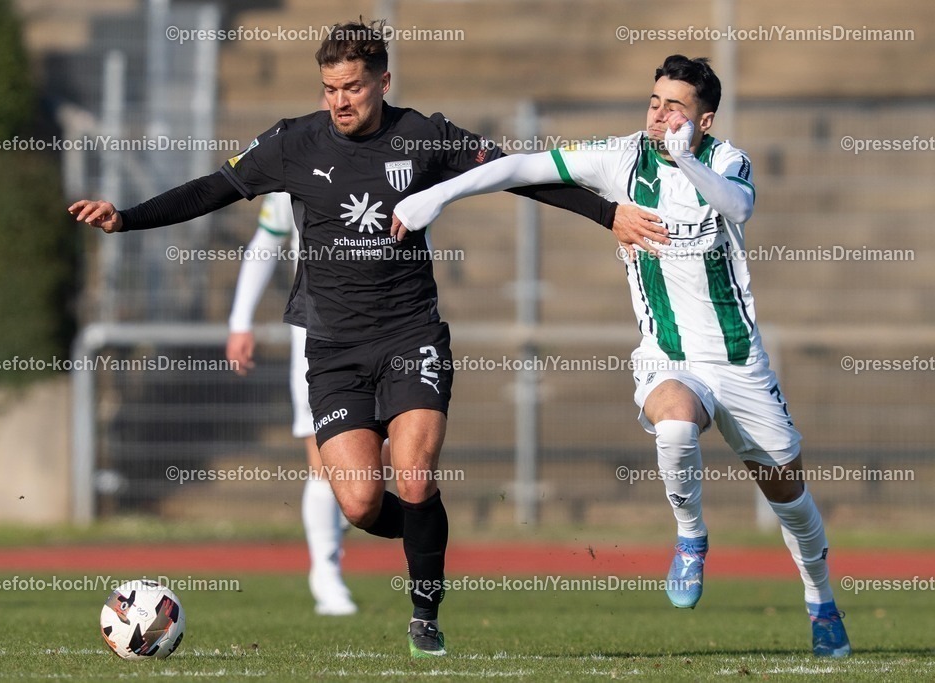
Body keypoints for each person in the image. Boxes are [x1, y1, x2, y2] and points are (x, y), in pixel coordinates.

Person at [69, 19, 664, 658]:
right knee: (356, 502)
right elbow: (213, 188)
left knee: (413, 475)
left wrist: (608, 213)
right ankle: (428, 535)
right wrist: (127, 219)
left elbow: (517, 173)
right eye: (329, 89)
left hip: (412, 334)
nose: (340, 101)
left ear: (383, 80)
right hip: (333, 349)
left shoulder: (425, 136)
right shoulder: (293, 143)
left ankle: (425, 608)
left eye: (352, 87)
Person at [391, 54, 851, 659]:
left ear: (704, 121)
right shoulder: (622, 157)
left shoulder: (724, 161)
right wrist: (437, 197)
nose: (659, 116)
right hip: (668, 356)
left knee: (788, 496)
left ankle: (821, 601)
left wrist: (686, 157)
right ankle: (690, 537)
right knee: (676, 425)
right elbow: (521, 166)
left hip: (738, 361)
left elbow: (739, 208)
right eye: (655, 102)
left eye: (675, 108)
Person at [227, 191, 356, 616]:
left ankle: (334, 554)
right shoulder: (297, 161)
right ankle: (326, 571)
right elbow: (267, 240)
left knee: (379, 461)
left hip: (394, 327)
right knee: (325, 456)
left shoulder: (400, 153)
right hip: (317, 332)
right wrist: (240, 321)